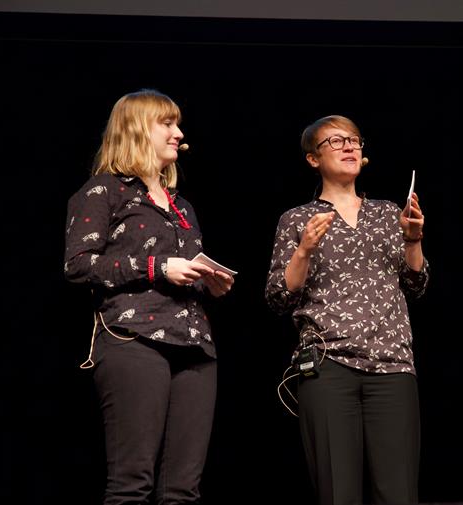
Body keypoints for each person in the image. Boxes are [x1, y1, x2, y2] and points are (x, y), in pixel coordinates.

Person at [64, 89, 234, 505]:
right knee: (131, 484)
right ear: (139, 130)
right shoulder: (104, 191)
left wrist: (206, 280)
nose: (178, 132)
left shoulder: (182, 207)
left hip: (194, 347)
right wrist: (157, 266)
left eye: (177, 124)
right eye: (167, 124)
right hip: (133, 339)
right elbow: (79, 265)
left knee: (183, 491)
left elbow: (181, 273)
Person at [265, 115, 428, 505]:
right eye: (336, 142)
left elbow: (418, 285)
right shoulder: (297, 219)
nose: (350, 147)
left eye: (354, 140)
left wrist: (413, 239)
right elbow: (277, 297)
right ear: (313, 159)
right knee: (339, 494)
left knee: (399, 493)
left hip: (392, 366)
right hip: (327, 366)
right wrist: (303, 249)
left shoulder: (390, 214)